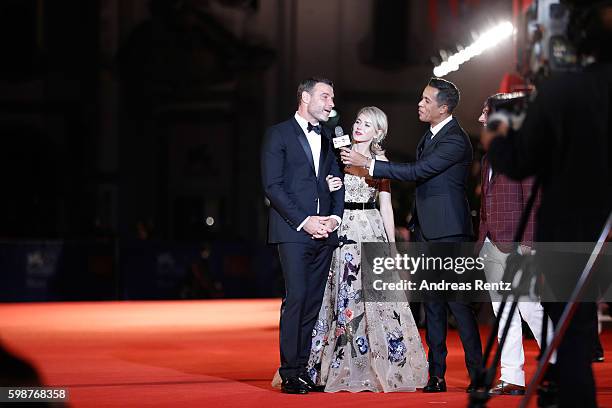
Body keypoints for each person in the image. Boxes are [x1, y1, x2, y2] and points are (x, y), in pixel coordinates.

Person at [487, 3, 612, 406]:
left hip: (571, 230)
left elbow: (518, 162)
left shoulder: (562, 91)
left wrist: (499, 131)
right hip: (593, 229)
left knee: (572, 340)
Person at [340, 78, 482, 393]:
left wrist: (370, 164)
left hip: (449, 233)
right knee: (431, 305)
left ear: (443, 107)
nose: (420, 103)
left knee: (457, 305)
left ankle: (479, 373)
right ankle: (437, 375)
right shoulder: (429, 137)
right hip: (426, 231)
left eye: (426, 100)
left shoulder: (455, 140)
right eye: (421, 98)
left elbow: (418, 172)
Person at [307, 106, 428, 392]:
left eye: (367, 124)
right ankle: (335, 365)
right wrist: (329, 184)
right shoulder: (338, 153)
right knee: (342, 294)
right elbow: (322, 190)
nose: (359, 127)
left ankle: (384, 365)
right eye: (358, 121)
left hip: (370, 225)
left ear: (378, 133)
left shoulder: (381, 160)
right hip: (342, 227)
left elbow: (385, 205)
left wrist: (392, 246)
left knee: (377, 297)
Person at [261, 77, 345, 394]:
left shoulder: (329, 137)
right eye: (325, 96)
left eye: (332, 98)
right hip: (293, 232)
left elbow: (337, 180)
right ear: (305, 97)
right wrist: (306, 221)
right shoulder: (278, 134)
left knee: (312, 304)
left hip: (325, 232)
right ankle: (290, 372)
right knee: (296, 299)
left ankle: (303, 369)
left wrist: (335, 218)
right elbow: (273, 187)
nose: (331, 103)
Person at [477, 95, 555, 396]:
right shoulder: (488, 156)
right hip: (492, 244)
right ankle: (512, 378)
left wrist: (528, 244)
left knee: (530, 308)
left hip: (519, 245)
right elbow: (487, 202)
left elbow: (534, 201)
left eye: (487, 113)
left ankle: (558, 365)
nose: (482, 119)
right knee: (503, 312)